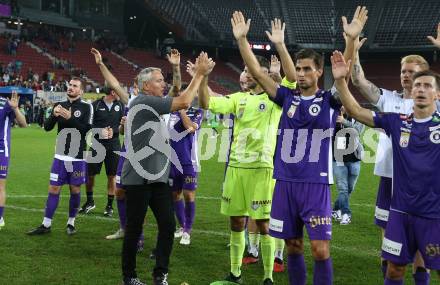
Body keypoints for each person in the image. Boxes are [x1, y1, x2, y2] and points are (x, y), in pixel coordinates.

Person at [231, 8, 367, 284]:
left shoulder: (330, 100)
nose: (302, 73)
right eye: (299, 68)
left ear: (318, 71)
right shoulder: (287, 97)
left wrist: (351, 41)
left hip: (315, 186)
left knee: (319, 250)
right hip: (284, 183)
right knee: (292, 245)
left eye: (308, 69)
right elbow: (257, 73)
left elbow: (343, 72)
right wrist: (241, 40)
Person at [331, 49, 440, 285]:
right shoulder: (395, 118)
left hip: (433, 206)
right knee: (393, 265)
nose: (416, 86)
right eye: (405, 73)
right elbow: (356, 110)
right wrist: (340, 81)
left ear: (437, 94)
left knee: (427, 264)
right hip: (398, 196)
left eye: (424, 83)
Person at [206, 16, 297, 285]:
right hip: (236, 169)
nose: (252, 73)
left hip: (262, 170)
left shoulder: (275, 100)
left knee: (265, 225)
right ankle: (235, 273)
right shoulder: (239, 98)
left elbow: (291, 78)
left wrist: (274, 45)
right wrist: (202, 76)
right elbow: (207, 102)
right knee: (236, 223)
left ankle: (268, 277)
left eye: (256, 71)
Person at [120, 52, 213, 285]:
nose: (165, 83)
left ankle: (160, 273)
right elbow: (183, 101)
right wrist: (200, 74)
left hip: (158, 177)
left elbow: (178, 92)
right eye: (160, 80)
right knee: (134, 228)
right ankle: (129, 276)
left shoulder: (153, 102)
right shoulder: (142, 101)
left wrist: (179, 69)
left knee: (168, 224)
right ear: (146, 86)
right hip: (138, 178)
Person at [351, 29, 432, 282]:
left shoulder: (433, 102)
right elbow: (359, 81)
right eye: (403, 71)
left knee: (421, 248)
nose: (406, 75)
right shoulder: (388, 99)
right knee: (388, 243)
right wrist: (353, 48)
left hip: (421, 183)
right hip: (388, 178)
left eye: (412, 71)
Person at [27, 77, 93, 235]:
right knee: (54, 188)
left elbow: (87, 130)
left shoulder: (86, 107)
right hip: (60, 156)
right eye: (69, 85)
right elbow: (48, 128)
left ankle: (71, 223)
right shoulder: (59, 105)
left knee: (75, 189)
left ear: (81, 91)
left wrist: (70, 118)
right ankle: (46, 224)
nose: (70, 87)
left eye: (75, 86)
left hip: (77, 157)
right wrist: (55, 115)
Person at [79, 87, 124, 217]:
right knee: (90, 175)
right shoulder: (96, 105)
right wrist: (100, 131)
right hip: (97, 144)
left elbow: (123, 125)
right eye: (118, 90)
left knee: (112, 176)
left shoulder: (120, 105)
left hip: (114, 145)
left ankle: (109, 206)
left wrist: (114, 131)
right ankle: (89, 201)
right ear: (113, 92)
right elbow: (88, 125)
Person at [331, 106, 364, 225]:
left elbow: (358, 131)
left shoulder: (358, 116)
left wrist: (344, 121)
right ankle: (346, 214)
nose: (343, 106)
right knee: (343, 188)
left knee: (349, 188)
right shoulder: (332, 116)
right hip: (338, 158)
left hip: (354, 159)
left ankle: (335, 210)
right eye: (341, 103)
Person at [0, 91, 27, 229]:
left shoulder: (5, 103)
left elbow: (24, 124)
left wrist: (15, 108)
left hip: (1, 150)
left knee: (0, 186)